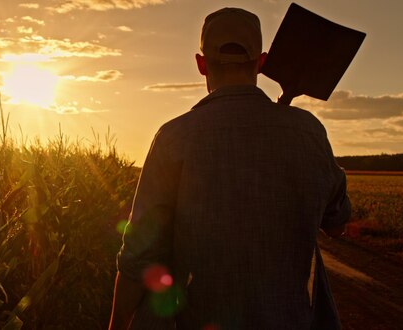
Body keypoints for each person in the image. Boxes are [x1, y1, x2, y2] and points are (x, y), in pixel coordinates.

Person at [109, 7, 350, 330]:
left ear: (201, 64)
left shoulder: (174, 137)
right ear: (261, 63)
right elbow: (337, 223)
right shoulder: (309, 132)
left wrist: (116, 324)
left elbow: (138, 259)